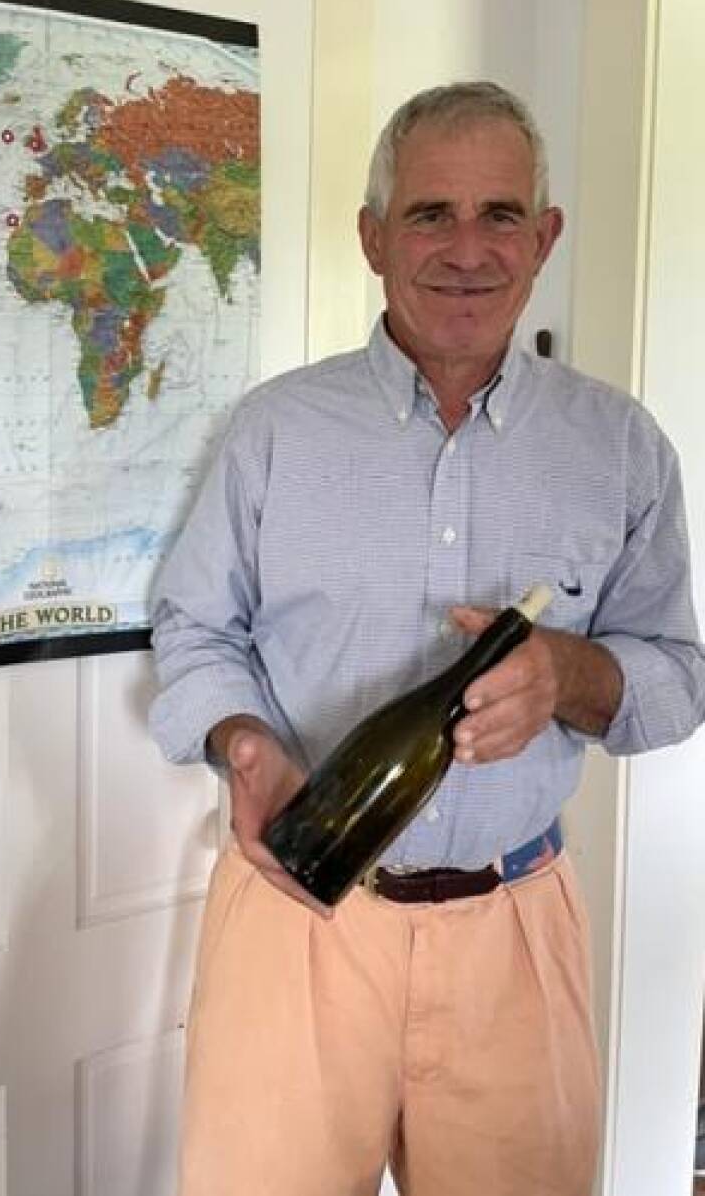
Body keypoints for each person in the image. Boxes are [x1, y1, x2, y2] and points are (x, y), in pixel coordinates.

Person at [147, 81, 705, 1196]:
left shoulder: (622, 447)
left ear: (543, 238)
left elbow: (678, 676)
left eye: (501, 214)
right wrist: (244, 742)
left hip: (516, 929)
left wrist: (571, 675)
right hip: (300, 917)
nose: (467, 249)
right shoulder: (273, 432)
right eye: (428, 214)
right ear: (371, 237)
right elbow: (194, 626)